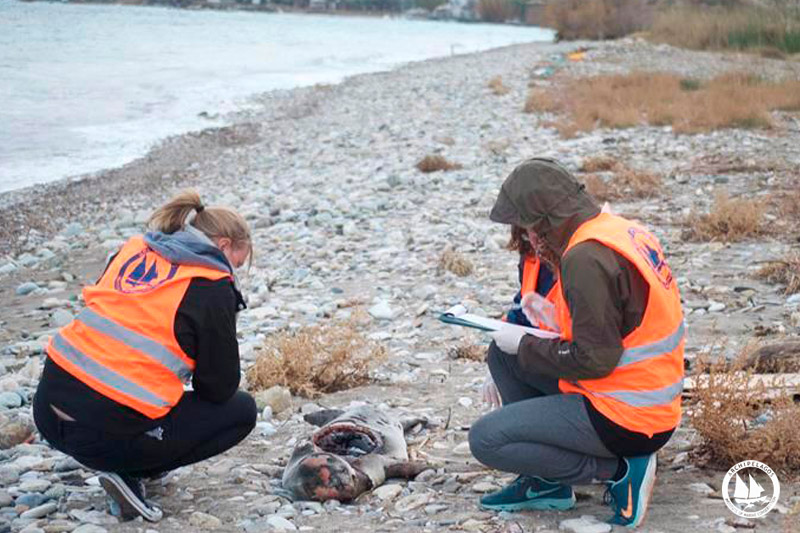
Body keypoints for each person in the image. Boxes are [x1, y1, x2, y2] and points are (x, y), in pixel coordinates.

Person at [468, 158, 684, 528]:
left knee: (486, 439)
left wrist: (525, 345)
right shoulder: (617, 230)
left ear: (547, 221)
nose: (529, 241)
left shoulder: (584, 258)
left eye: (530, 229)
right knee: (502, 356)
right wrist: (527, 339)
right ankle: (548, 482)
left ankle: (618, 469)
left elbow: (595, 359)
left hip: (627, 415)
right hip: (644, 395)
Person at [33, 190, 258, 522]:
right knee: (241, 410)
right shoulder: (210, 285)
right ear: (222, 246)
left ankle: (125, 452)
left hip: (48, 410)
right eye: (236, 264)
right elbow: (218, 388)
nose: (233, 273)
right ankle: (127, 468)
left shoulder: (135, 249)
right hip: (100, 433)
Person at [483, 226, 558, 408]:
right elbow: (521, 308)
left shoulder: (579, 257)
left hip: (595, 381)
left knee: (486, 434)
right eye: (526, 234)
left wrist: (522, 346)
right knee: (500, 352)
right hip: (559, 354)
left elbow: (588, 350)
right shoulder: (532, 257)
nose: (533, 240)